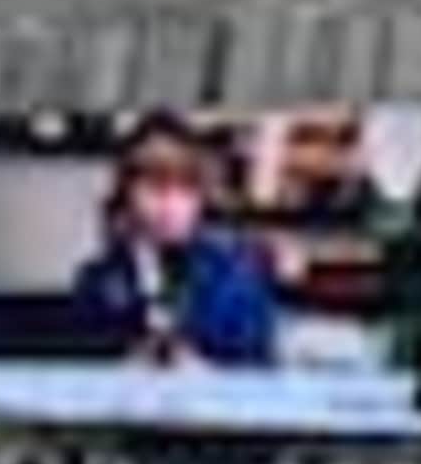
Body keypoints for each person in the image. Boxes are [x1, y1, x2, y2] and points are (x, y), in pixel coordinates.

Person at [70, 114, 280, 366]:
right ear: (126, 194)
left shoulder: (237, 277)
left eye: (185, 190)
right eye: (154, 188)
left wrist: (200, 373)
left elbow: (261, 380)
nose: (170, 206)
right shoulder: (99, 279)